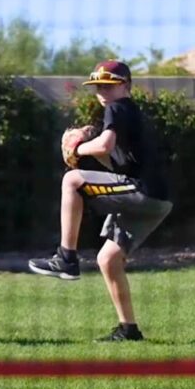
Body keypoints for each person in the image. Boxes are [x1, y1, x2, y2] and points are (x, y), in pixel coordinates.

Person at [28, 60, 172, 342]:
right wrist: (86, 142)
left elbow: (105, 145)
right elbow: (112, 156)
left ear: (126, 85)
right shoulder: (129, 113)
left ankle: (66, 258)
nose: (102, 91)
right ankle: (129, 330)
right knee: (108, 259)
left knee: (71, 180)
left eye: (109, 85)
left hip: (144, 192)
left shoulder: (117, 108)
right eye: (98, 86)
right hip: (160, 200)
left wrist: (77, 148)